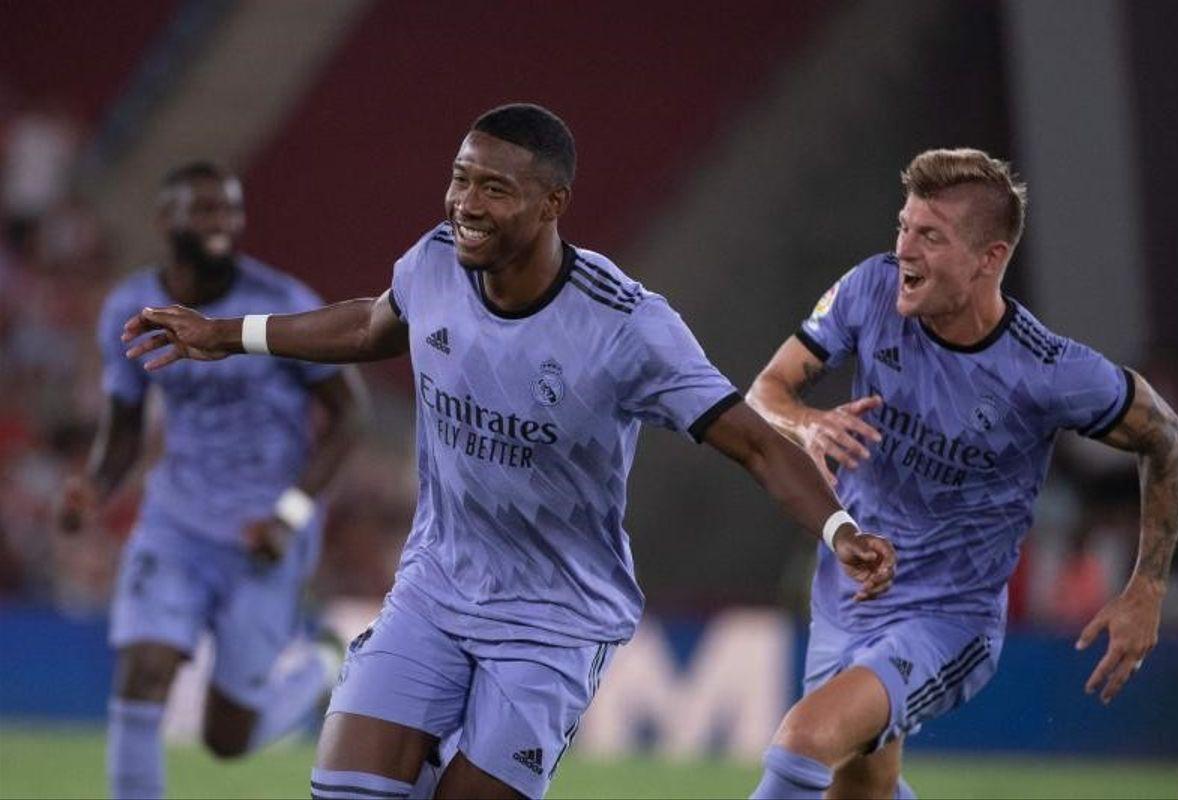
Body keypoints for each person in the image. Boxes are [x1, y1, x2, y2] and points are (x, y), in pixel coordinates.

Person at [120, 104, 897, 800]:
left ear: (552, 203)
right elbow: (368, 326)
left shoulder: (627, 327)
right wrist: (227, 335)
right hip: (435, 591)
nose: (465, 203)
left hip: (554, 621)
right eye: (461, 179)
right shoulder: (433, 262)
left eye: (494, 188)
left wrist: (839, 532)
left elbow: (757, 444)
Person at [745, 148, 1178, 799]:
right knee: (862, 788)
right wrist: (808, 423)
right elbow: (767, 390)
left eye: (930, 236)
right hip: (847, 590)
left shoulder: (1047, 372)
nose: (905, 249)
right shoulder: (869, 291)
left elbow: (1171, 439)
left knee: (803, 739)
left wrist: (1147, 585)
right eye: (903, 226)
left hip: (945, 618)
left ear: (990, 259)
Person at [58, 161, 366, 800]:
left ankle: (318, 671)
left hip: (263, 536)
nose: (221, 223)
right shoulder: (130, 308)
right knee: (141, 676)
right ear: (164, 220)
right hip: (175, 524)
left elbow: (349, 412)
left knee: (226, 740)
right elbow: (123, 427)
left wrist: (290, 513)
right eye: (203, 210)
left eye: (228, 209)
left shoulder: (282, 304)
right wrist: (95, 486)